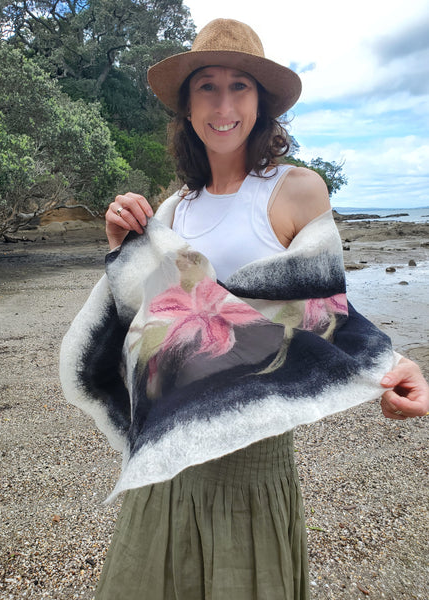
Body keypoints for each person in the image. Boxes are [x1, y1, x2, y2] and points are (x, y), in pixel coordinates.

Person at [63, 18, 429, 600]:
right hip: (173, 444)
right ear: (187, 107)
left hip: (252, 445)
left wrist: (391, 364)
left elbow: (324, 308)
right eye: (207, 86)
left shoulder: (295, 190)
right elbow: (148, 319)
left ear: (261, 103)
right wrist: (122, 248)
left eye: (240, 86)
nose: (224, 103)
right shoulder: (174, 210)